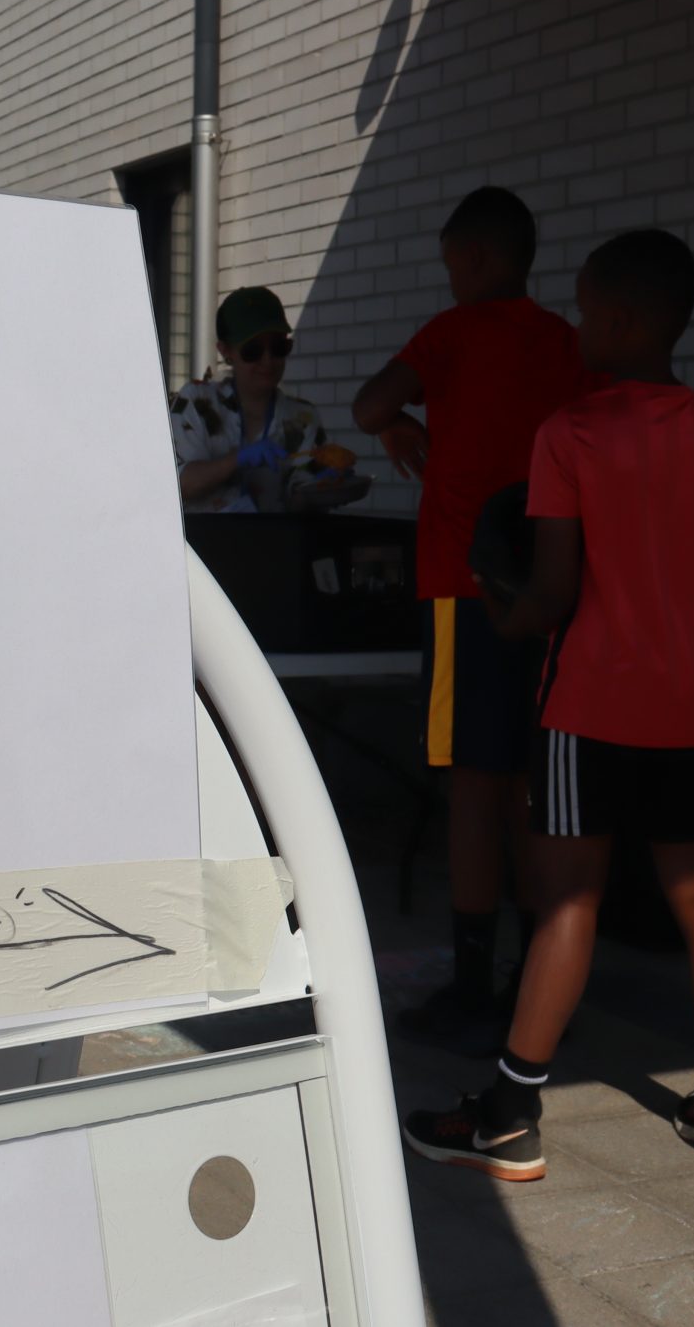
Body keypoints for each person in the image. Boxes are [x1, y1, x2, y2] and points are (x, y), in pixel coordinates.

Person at [403, 228, 694, 1183]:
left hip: (586, 709)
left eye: (583, 312)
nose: (575, 328)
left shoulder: (568, 433)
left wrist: (499, 608)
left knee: (568, 901)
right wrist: (674, 583)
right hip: (684, 710)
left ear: (620, 319)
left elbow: (551, 594)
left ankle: (508, 1116)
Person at [350, 187, 603, 1053]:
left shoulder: (451, 336)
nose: (451, 278)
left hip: (466, 587)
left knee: (471, 784)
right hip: (552, 588)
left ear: (479, 259)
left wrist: (398, 428)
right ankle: (538, 975)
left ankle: (469, 982)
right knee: (529, 783)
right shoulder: (565, 341)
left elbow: (369, 405)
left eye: (453, 263)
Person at [171, 287, 332, 514]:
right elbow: (176, 486)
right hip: (205, 537)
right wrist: (236, 460)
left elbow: (301, 509)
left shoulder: (303, 418)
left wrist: (324, 488)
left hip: (274, 537)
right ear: (225, 351)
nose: (268, 360)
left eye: (278, 347)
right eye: (252, 350)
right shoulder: (197, 402)